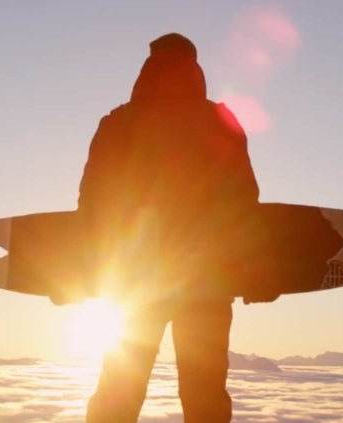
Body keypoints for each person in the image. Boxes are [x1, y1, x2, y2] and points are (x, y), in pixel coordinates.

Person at [76, 33, 270, 423]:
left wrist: (77, 270)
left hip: (136, 279)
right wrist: (259, 271)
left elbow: (93, 206)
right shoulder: (219, 121)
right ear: (196, 70)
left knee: (118, 389)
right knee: (205, 396)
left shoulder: (118, 123)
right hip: (207, 278)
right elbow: (243, 204)